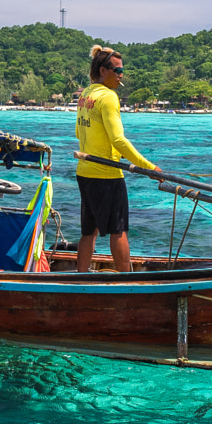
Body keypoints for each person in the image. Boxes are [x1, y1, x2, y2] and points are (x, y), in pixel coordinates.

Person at [74, 44, 156, 272]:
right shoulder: (108, 97)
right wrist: (150, 167)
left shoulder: (86, 94)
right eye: (117, 71)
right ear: (103, 71)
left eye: (122, 70)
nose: (122, 76)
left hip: (85, 171)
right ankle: (127, 282)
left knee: (88, 231)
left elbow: (79, 133)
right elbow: (118, 140)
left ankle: (80, 278)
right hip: (107, 174)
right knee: (118, 230)